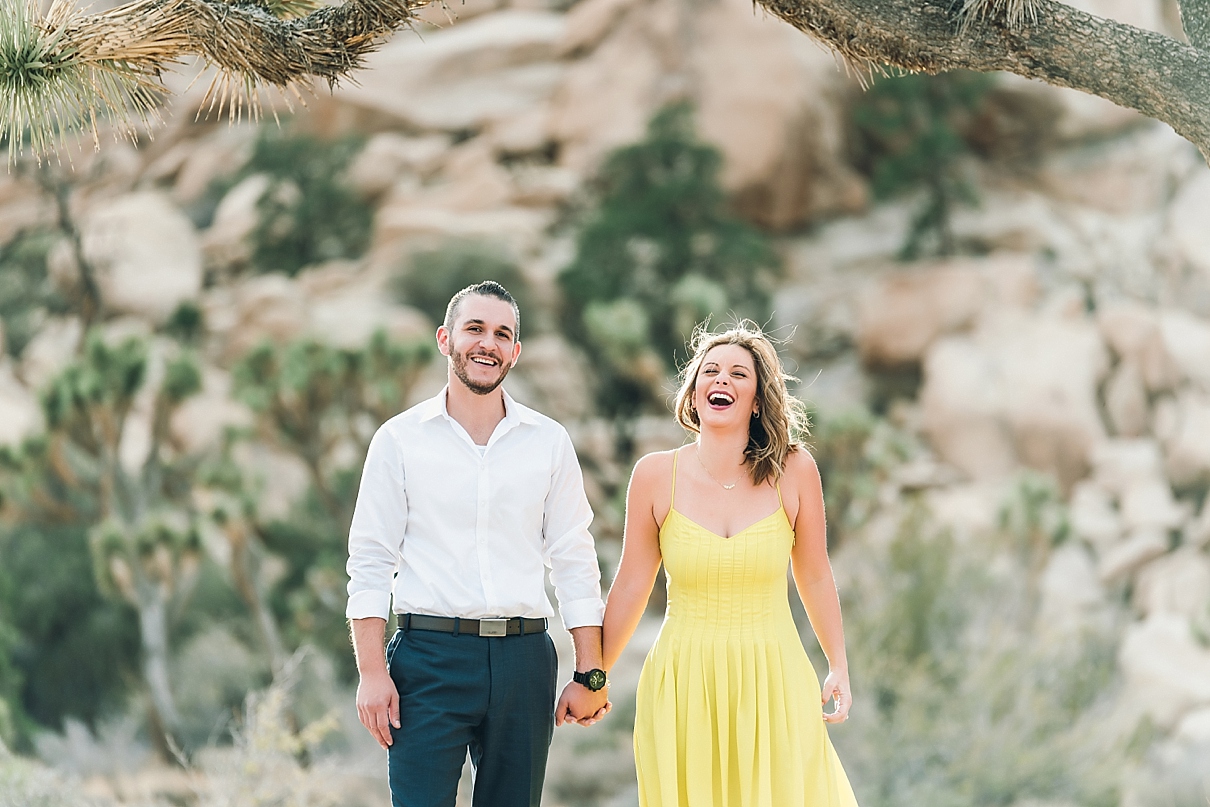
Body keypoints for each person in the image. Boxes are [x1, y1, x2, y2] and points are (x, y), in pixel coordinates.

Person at [346, 281, 611, 807]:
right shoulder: (398, 440)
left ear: (515, 351)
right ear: (446, 339)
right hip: (428, 660)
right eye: (475, 329)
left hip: (524, 661)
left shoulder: (549, 442)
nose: (487, 343)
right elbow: (371, 561)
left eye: (501, 333)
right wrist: (373, 673)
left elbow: (574, 562)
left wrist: (591, 673)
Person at [602, 321, 859, 807]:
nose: (722, 379)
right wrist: (593, 676)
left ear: (758, 399)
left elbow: (815, 573)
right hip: (683, 683)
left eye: (739, 374)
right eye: (711, 370)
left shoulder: (796, 470)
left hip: (774, 675)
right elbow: (632, 584)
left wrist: (838, 664)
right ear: (695, 392)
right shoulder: (655, 475)